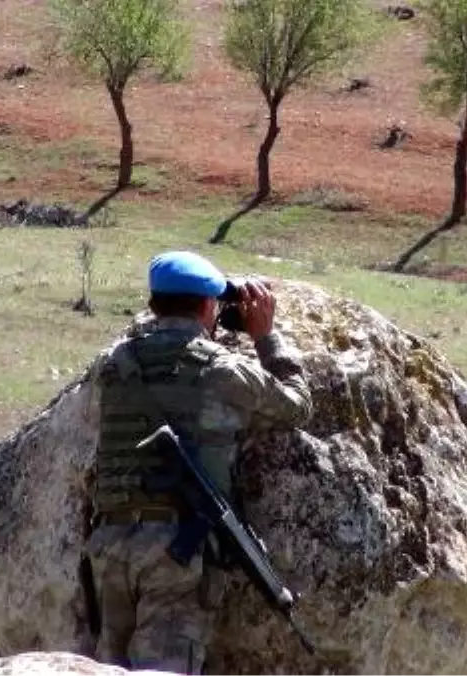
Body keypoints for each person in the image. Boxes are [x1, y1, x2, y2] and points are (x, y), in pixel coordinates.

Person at [84, 250, 313, 674]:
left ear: (153, 304)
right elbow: (297, 405)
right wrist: (265, 337)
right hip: (176, 550)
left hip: (109, 542)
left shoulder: (115, 364)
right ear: (210, 306)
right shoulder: (223, 371)